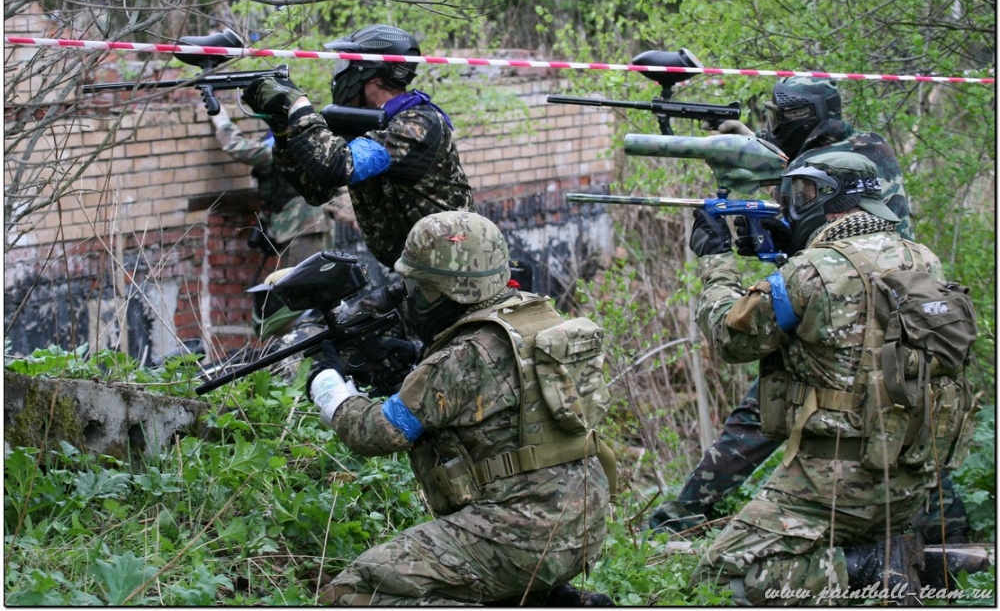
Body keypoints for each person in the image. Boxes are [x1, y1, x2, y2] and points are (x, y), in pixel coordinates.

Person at [649, 77, 971, 545]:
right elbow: (824, 224)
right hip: (886, 317)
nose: (774, 126)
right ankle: (949, 538)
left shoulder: (837, 166)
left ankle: (683, 515)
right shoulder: (868, 161)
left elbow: (731, 336)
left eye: (779, 118)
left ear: (799, 117)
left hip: (844, 319)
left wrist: (718, 259)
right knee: (904, 404)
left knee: (781, 405)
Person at [686, 151, 976, 604]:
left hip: (830, 485)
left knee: (723, 579)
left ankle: (870, 567)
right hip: (907, 479)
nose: (795, 203)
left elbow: (732, 339)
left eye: (803, 193)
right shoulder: (922, 259)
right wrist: (797, 253)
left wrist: (716, 262)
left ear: (829, 199)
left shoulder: (809, 271)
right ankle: (895, 555)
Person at [304, 211, 615, 606]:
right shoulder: (538, 318)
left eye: (421, 289)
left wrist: (328, 386)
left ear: (452, 291)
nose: (413, 299)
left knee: (354, 592)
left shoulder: (463, 356)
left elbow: (375, 432)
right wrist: (417, 362)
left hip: (522, 538)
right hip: (584, 525)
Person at [241, 23, 477, 272]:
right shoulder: (365, 124)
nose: (340, 73)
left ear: (372, 74)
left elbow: (337, 165)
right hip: (423, 271)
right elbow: (315, 190)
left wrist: (298, 106)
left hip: (459, 269)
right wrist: (282, 129)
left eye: (346, 64)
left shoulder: (417, 124)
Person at [210, 105, 333, 269]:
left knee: (304, 279)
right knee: (296, 277)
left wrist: (221, 119)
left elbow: (239, 148)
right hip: (299, 226)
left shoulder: (283, 145)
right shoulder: (298, 138)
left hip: (304, 227)